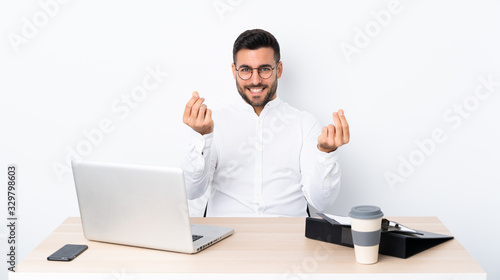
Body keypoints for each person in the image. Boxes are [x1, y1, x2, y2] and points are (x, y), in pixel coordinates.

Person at [181, 29, 349, 217]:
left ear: (278, 69)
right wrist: (201, 137)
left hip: (289, 240)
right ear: (234, 71)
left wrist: (327, 154)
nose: (255, 80)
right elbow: (192, 191)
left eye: (264, 69)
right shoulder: (211, 123)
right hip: (225, 239)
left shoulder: (304, 124)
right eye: (245, 70)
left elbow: (321, 202)